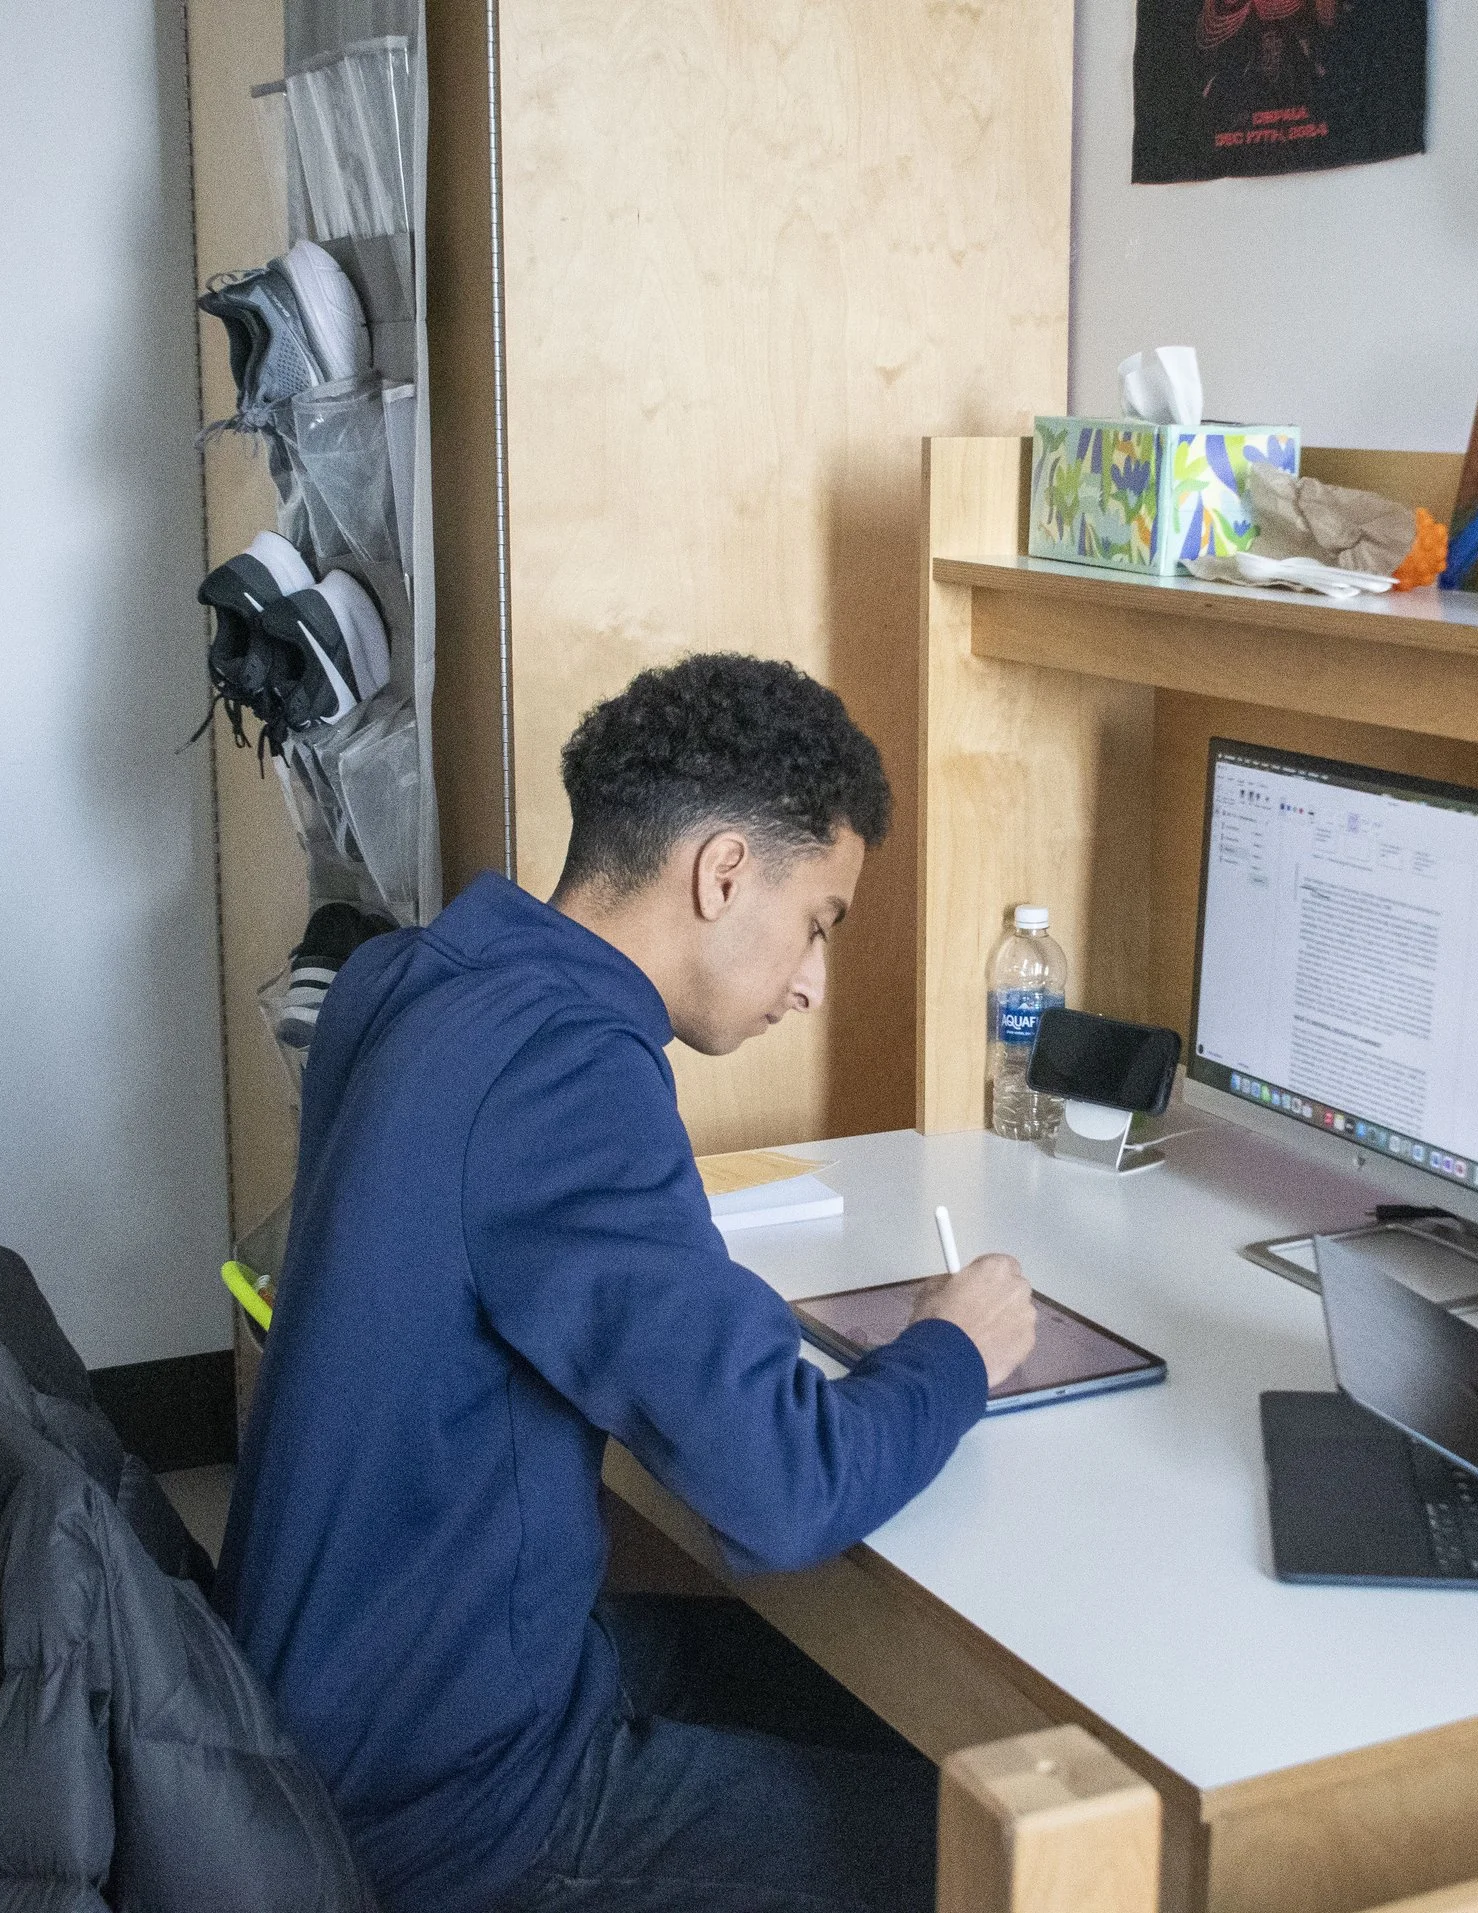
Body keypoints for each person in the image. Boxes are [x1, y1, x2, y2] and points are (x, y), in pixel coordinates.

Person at [219, 654, 1038, 1913]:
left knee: (865, 1708)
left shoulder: (408, 976)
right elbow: (780, 1489)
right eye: (819, 919)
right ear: (721, 873)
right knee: (1001, 1854)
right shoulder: (571, 1071)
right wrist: (956, 1348)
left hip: (336, 1694)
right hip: (450, 1803)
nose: (814, 978)